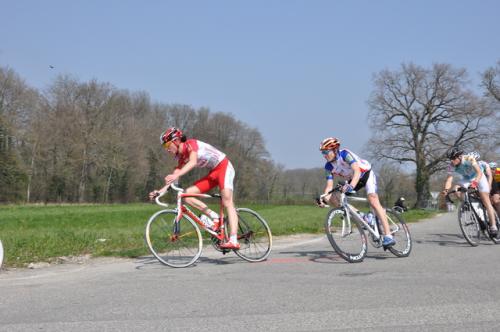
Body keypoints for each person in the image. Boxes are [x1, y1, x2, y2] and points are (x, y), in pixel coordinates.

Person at [149, 127, 240, 249]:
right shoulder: (181, 157)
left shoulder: (191, 144)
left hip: (224, 167)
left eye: (167, 146)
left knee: (227, 201)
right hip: (213, 172)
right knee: (188, 195)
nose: (167, 150)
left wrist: (177, 174)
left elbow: (192, 162)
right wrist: (159, 192)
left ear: (176, 141)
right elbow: (173, 179)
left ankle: (234, 239)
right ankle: (215, 217)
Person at [316, 137, 396, 248]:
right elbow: (329, 187)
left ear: (334, 150)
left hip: (365, 175)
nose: (324, 155)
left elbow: (357, 170)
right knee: (331, 198)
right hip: (352, 180)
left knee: (373, 199)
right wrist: (323, 198)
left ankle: (388, 236)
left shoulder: (345, 154)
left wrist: (351, 185)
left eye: (326, 152)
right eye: (322, 153)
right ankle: (364, 218)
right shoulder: (328, 166)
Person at [441, 148, 497, 236]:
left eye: (453, 158)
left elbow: (479, 172)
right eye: (450, 159)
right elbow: (449, 179)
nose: (452, 161)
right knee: (456, 189)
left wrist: (475, 183)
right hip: (467, 178)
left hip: (479, 177)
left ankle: (493, 226)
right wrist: (446, 190)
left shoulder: (468, 158)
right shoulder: (451, 165)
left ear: (459, 157)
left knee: (486, 201)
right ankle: (468, 203)